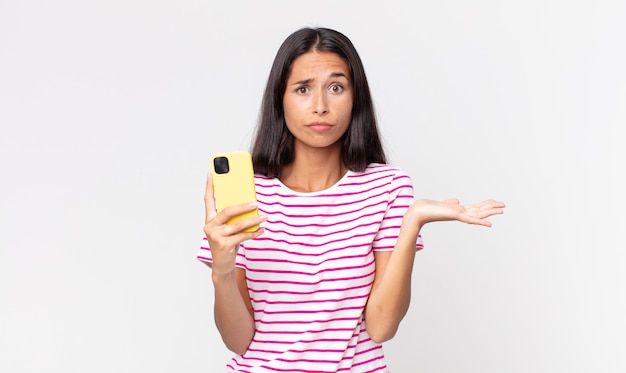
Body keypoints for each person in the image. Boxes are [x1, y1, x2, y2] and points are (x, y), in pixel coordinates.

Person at [198, 27, 505, 373]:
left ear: (355, 97)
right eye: (302, 89)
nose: (320, 106)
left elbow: (381, 327)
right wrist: (222, 270)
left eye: (336, 87)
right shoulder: (245, 193)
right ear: (279, 99)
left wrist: (413, 221)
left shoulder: (387, 188)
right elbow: (239, 341)